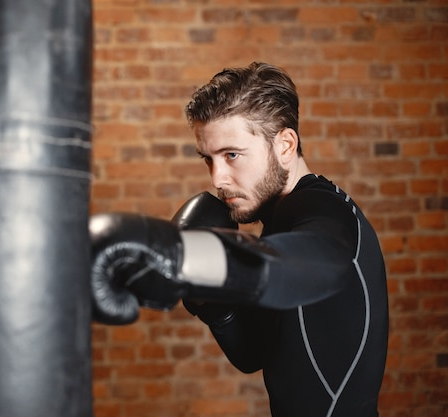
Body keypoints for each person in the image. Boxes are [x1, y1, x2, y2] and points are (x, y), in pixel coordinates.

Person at [89, 62, 389, 417]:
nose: (218, 178)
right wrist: (212, 302)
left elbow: (322, 258)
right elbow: (254, 353)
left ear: (285, 144)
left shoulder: (322, 208)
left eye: (232, 155)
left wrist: (182, 256)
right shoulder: (279, 224)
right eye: (209, 160)